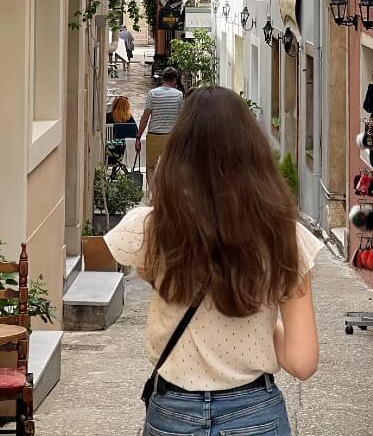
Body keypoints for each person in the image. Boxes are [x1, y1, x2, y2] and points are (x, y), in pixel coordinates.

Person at [105, 86, 321, 436]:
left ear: (179, 151)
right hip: (256, 414)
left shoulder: (151, 230)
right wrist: (260, 316)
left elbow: (158, 279)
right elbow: (301, 361)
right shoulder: (285, 238)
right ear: (253, 152)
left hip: (173, 412)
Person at [135, 66, 182, 176]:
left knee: (151, 169)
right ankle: (168, 192)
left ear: (163, 78)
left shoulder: (152, 93)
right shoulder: (179, 95)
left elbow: (145, 118)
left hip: (154, 136)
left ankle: (154, 192)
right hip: (171, 137)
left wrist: (138, 137)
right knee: (171, 170)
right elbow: (181, 118)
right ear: (175, 79)